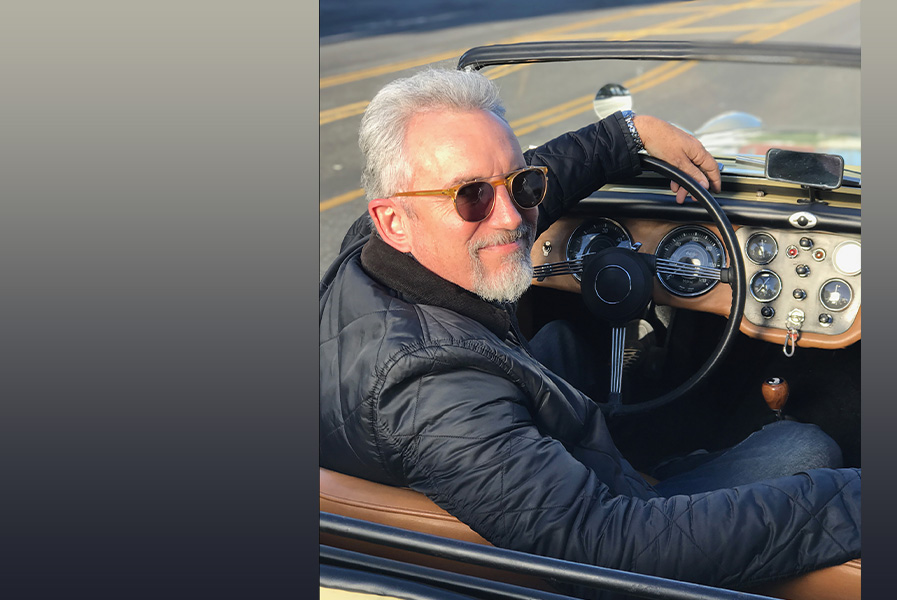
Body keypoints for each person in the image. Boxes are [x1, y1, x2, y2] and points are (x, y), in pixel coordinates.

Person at [319, 68, 861, 591]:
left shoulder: (368, 252)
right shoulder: (431, 390)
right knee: (803, 445)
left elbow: (529, 181)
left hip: (547, 482)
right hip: (620, 530)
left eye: (520, 185)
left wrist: (627, 134)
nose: (509, 217)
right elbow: (612, 547)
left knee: (567, 341)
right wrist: (852, 502)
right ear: (392, 219)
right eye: (471, 196)